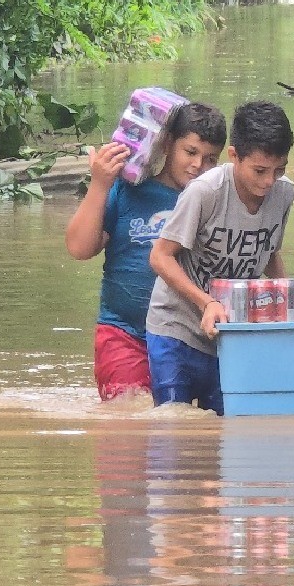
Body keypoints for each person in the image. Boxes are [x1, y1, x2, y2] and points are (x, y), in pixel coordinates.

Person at [65, 102, 227, 401]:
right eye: (190, 152)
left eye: (210, 159)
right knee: (130, 421)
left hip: (188, 338)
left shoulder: (210, 201)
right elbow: (79, 248)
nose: (198, 166)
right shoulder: (129, 191)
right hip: (125, 336)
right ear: (167, 144)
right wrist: (100, 185)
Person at [145, 100, 294, 414]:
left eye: (278, 170)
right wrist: (206, 302)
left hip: (231, 336)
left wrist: (287, 299)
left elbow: (270, 251)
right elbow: (160, 257)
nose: (269, 181)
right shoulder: (205, 192)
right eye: (260, 170)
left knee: (225, 434)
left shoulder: (283, 194)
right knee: (174, 426)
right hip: (176, 329)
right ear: (234, 156)